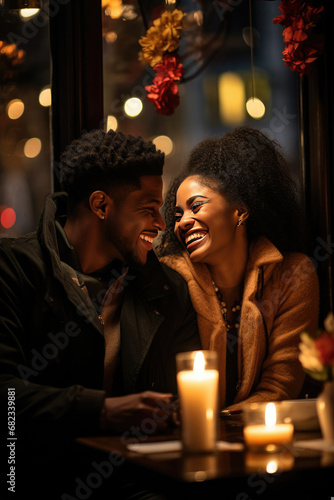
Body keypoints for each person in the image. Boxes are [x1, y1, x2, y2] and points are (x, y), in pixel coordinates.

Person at [0, 129, 201, 499]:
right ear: (101, 205)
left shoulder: (166, 289)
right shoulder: (13, 269)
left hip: (138, 484)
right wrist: (102, 410)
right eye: (147, 207)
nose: (160, 224)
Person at [157, 126, 319, 410]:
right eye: (178, 213)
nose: (182, 222)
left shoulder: (293, 275)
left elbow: (280, 386)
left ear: (241, 210)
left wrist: (225, 423)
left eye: (196, 205)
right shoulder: (168, 277)